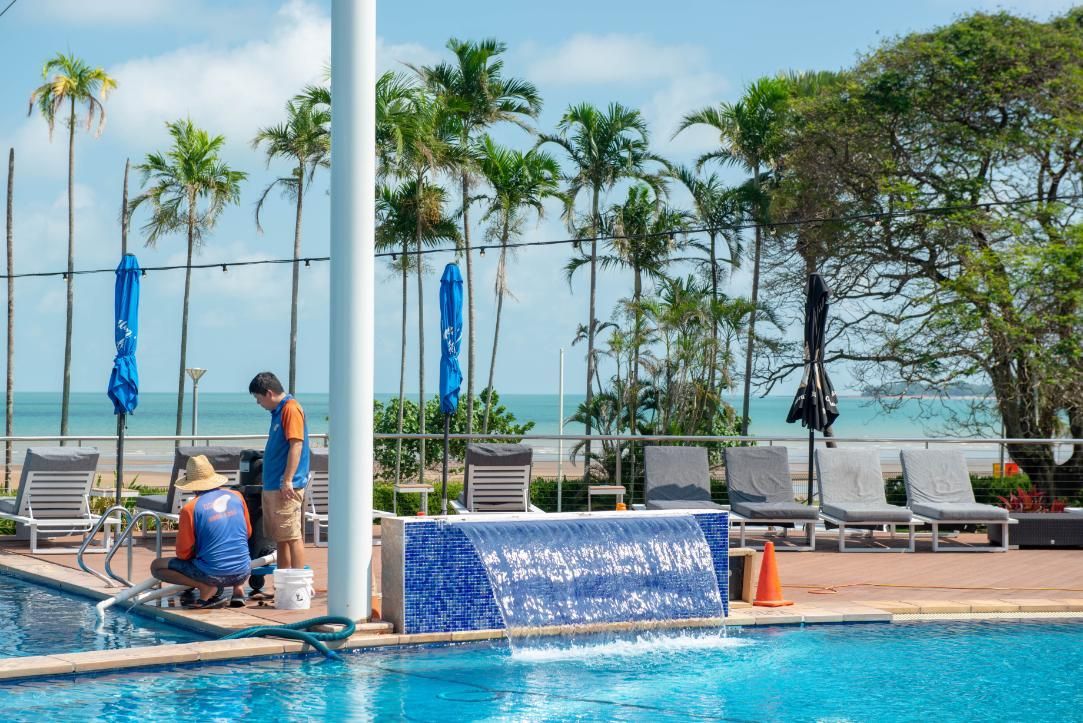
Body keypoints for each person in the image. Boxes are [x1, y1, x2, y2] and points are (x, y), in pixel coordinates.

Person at [151, 454, 252, 609]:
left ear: (192, 484)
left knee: (157, 566)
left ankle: (205, 587)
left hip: (213, 574)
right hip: (244, 570)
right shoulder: (237, 496)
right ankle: (238, 589)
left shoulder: (190, 509)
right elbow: (248, 533)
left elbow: (183, 553)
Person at [249, 371, 310, 570]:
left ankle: (298, 583)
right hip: (274, 485)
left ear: (268, 393)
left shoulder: (290, 409)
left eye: (259, 398)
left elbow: (296, 445)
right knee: (281, 538)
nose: (259, 404)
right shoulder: (278, 412)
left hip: (285, 487)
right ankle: (284, 580)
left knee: (292, 536)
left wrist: (288, 480)